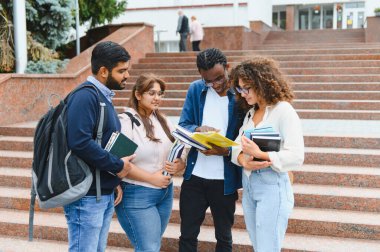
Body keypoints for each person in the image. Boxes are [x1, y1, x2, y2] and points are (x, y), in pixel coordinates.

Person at [64, 41, 136, 252]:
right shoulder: (85, 96)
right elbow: (79, 141)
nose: (127, 75)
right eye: (122, 71)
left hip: (101, 192)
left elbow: (101, 141)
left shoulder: (102, 96)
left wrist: (112, 180)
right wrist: (116, 165)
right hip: (85, 197)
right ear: (104, 71)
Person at [230, 57, 304, 251]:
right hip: (249, 186)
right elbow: (237, 146)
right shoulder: (250, 113)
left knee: (267, 248)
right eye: (240, 89)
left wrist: (261, 154)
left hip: (272, 186)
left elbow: (296, 155)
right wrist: (242, 160)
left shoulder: (283, 111)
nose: (243, 93)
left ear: (261, 84)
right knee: (259, 246)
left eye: (247, 88)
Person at [178, 48, 245, 252]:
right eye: (208, 81)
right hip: (195, 177)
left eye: (219, 78)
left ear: (227, 67)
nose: (215, 85)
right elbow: (184, 125)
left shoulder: (241, 94)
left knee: (224, 237)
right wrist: (199, 129)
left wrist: (224, 150)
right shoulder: (195, 89)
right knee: (187, 235)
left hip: (224, 180)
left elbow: (246, 136)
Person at [115, 74, 186, 252]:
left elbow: (182, 149)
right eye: (151, 93)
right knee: (149, 248)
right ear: (138, 95)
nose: (157, 98)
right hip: (136, 194)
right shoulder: (126, 121)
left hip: (164, 194)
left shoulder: (162, 120)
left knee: (152, 246)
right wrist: (151, 179)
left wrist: (179, 165)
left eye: (160, 94)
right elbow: (118, 163)